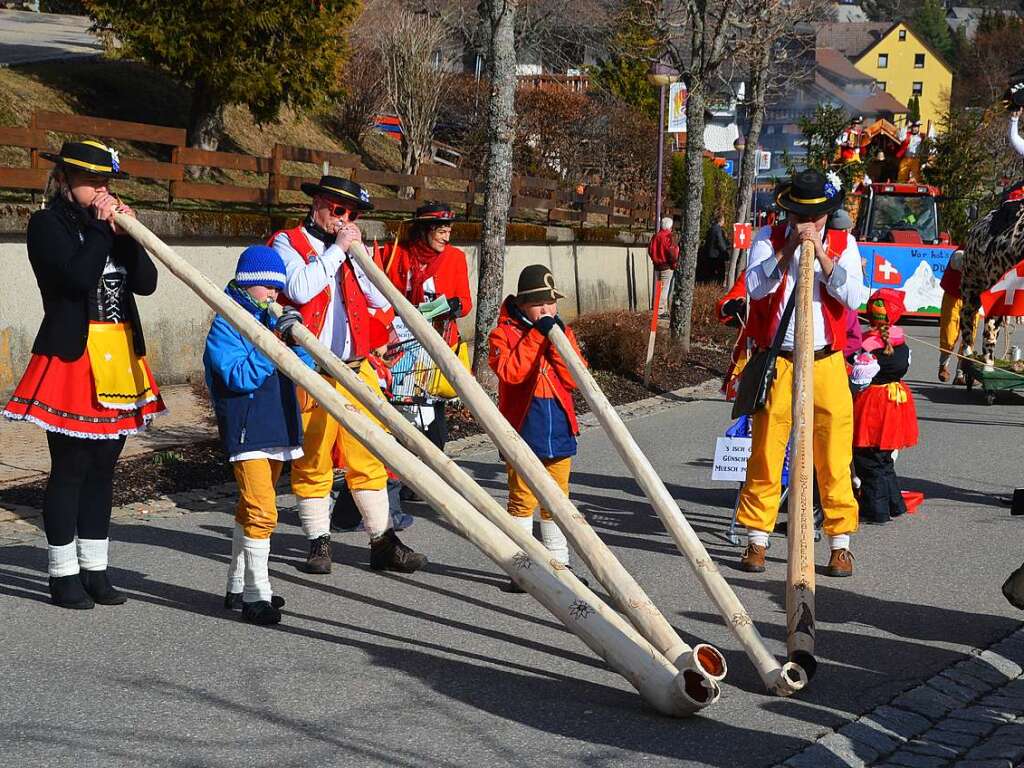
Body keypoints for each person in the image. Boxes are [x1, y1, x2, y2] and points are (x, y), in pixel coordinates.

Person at [2, 140, 166, 609]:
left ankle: (95, 568)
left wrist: (127, 235)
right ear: (66, 181)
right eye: (92, 181)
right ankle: (61, 572)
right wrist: (99, 230)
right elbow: (74, 279)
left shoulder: (109, 229)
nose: (101, 190)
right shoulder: (46, 224)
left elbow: (147, 284)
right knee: (70, 469)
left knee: (103, 470)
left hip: (119, 354)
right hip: (74, 357)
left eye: (105, 182)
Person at [271, 174, 427, 576]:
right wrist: (339, 250)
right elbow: (301, 289)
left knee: (370, 453)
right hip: (312, 371)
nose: (344, 218)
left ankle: (382, 541)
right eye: (338, 210)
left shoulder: (353, 251)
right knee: (313, 457)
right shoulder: (287, 243)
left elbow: (380, 297)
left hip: (356, 368)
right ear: (316, 205)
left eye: (352, 213)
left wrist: (357, 255)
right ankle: (317, 542)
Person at [735, 168, 869, 577]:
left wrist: (824, 257)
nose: (805, 224)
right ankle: (757, 539)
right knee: (767, 450)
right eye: (797, 217)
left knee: (833, 452)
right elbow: (755, 288)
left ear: (827, 215)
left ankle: (839, 543)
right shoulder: (767, 239)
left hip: (826, 359)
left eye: (812, 218)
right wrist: (787, 248)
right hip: (780, 360)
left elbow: (855, 296)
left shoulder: (845, 244)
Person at [203, 246, 312, 626]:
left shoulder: (271, 318)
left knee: (249, 509)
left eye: (278, 290)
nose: (274, 297)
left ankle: (236, 584)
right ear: (249, 284)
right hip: (247, 428)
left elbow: (306, 369)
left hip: (279, 424)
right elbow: (237, 376)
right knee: (264, 511)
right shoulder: (227, 322)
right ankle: (256, 596)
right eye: (268, 288)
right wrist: (272, 345)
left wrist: (298, 341)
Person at [488, 265, 586, 593]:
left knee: (557, 498)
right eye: (539, 305)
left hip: (558, 424)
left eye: (550, 304)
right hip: (523, 427)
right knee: (522, 497)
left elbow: (575, 378)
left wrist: (555, 338)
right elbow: (512, 373)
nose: (546, 310)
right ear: (522, 305)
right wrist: (536, 335)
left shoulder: (563, 332)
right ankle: (523, 567)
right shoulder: (502, 334)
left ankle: (560, 563)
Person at [850, 289, 918, 524]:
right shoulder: (902, 341)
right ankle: (894, 503)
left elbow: (860, 378)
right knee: (884, 457)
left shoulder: (868, 344)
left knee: (868, 458)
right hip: (896, 398)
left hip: (874, 403)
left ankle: (875, 509)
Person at [938, 249, 965, 384]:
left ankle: (960, 374)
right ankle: (943, 366)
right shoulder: (959, 254)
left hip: (971, 299)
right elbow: (961, 266)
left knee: (968, 338)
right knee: (949, 336)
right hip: (953, 297)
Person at [647, 217, 679, 317]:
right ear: (670, 226)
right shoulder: (669, 236)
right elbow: (672, 253)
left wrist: (654, 260)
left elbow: (650, 250)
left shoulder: (656, 236)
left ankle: (661, 309)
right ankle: (660, 310)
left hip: (657, 265)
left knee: (659, 288)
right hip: (667, 265)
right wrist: (674, 264)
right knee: (665, 288)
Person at [699, 212, 730, 283]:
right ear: (721, 220)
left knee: (710, 274)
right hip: (716, 256)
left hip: (709, 254)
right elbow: (720, 243)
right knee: (720, 274)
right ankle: (718, 288)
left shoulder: (711, 228)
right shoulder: (718, 229)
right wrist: (725, 253)